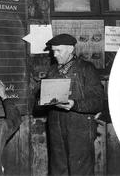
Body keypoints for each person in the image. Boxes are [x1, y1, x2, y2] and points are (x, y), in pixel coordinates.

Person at [43, 33, 105, 176]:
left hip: (80, 129)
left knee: (80, 171)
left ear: (71, 49)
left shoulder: (86, 69)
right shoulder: (52, 71)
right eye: (53, 51)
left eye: (59, 50)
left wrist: (74, 104)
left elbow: (98, 102)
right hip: (56, 129)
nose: (55, 55)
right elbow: (41, 101)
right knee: (58, 171)